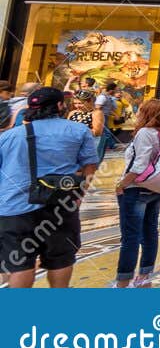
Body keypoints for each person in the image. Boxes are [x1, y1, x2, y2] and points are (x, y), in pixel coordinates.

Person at [0, 87, 101, 287]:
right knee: (60, 259)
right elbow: (90, 165)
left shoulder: (9, 136)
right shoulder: (78, 130)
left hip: (15, 206)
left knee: (20, 264)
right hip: (60, 204)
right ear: (59, 105)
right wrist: (80, 194)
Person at [112, 99, 160, 287]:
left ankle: (123, 281)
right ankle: (145, 276)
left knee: (130, 236)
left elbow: (140, 165)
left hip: (136, 189)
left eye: (141, 111)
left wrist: (121, 184)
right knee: (149, 232)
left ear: (146, 113)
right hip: (156, 189)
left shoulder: (145, 133)